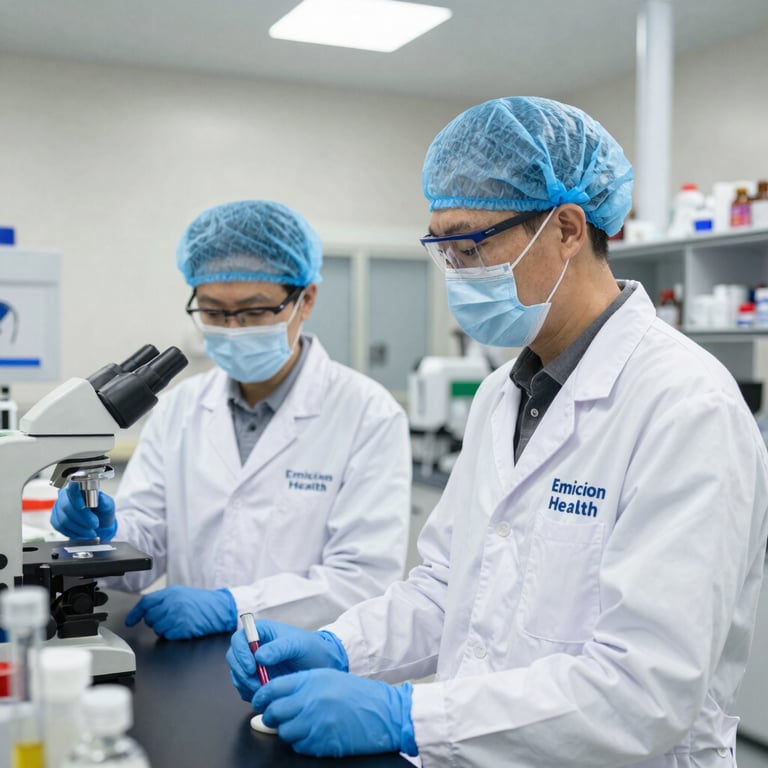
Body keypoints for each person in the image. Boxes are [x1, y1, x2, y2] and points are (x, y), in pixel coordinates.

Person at [226, 98, 768, 767]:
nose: (455, 271)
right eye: (442, 249)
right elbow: (450, 588)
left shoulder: (686, 406)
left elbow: (643, 691)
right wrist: (341, 646)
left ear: (568, 228)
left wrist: (407, 714)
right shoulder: (498, 395)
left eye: (471, 245)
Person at [50, 200, 412, 640]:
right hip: (188, 660)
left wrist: (232, 606)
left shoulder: (367, 413)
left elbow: (362, 581)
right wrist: (105, 533)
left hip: (309, 671)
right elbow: (146, 543)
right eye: (214, 312)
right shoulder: (181, 407)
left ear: (306, 299)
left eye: (255, 311)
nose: (234, 327)